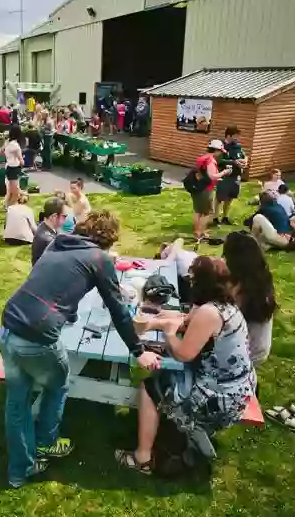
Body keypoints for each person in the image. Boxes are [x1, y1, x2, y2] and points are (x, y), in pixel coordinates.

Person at [0, 210, 161, 487]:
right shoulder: (98, 258)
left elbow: (54, 285)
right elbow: (120, 312)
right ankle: (46, 443)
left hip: (8, 327)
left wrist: (68, 314)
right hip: (37, 336)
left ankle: (19, 471)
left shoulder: (58, 242)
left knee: (18, 401)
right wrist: (139, 351)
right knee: (59, 384)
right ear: (109, 239)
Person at [115, 256, 254, 476]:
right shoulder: (225, 304)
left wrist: (169, 333)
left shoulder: (209, 313)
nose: (190, 282)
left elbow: (182, 354)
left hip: (220, 398)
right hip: (238, 385)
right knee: (161, 367)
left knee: (150, 385)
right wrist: (156, 321)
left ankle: (142, 458)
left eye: (193, 279)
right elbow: (188, 321)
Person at [223, 231, 277, 369]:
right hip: (259, 348)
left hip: (246, 353)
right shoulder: (260, 277)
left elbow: (221, 321)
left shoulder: (242, 292)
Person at [190, 140, 232, 240]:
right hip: (205, 189)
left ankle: (197, 232)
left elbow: (204, 174)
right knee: (208, 212)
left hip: (197, 187)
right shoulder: (210, 160)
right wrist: (224, 172)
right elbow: (212, 176)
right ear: (216, 150)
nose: (221, 153)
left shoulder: (202, 158)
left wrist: (217, 178)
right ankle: (200, 233)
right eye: (220, 151)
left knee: (197, 211)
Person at [214, 125, 247, 226]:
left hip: (235, 176)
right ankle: (215, 218)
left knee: (230, 197)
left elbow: (244, 155)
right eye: (236, 136)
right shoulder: (220, 146)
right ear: (229, 135)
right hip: (224, 175)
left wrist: (245, 161)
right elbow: (218, 160)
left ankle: (225, 217)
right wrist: (234, 162)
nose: (238, 138)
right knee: (220, 197)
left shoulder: (237, 145)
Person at [32, 196, 67, 264]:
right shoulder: (48, 240)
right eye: (64, 216)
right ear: (54, 216)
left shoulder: (44, 226)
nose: (66, 219)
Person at [4, 125, 25, 209]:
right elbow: (22, 161)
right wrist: (22, 160)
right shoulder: (16, 146)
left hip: (9, 166)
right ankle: (10, 208)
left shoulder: (7, 142)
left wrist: (9, 156)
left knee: (10, 191)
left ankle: (6, 205)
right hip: (14, 169)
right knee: (15, 193)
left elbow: (1, 151)